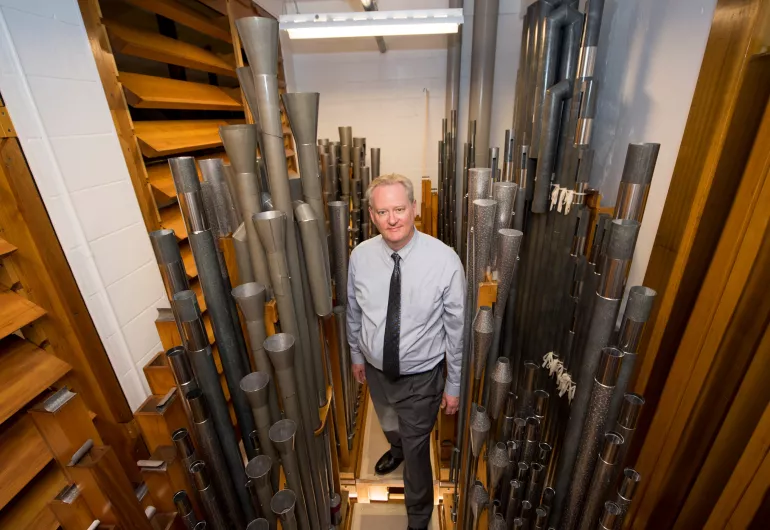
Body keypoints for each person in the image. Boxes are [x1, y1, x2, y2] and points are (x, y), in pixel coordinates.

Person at [347, 173, 465, 530]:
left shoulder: (445, 261)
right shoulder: (360, 256)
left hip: (420, 380)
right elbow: (354, 311)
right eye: (383, 211)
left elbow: (456, 331)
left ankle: (418, 517)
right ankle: (394, 448)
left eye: (399, 208)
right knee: (387, 423)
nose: (393, 219)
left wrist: (454, 385)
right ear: (372, 214)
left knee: (417, 454)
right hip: (376, 372)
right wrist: (356, 356)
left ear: (414, 208)